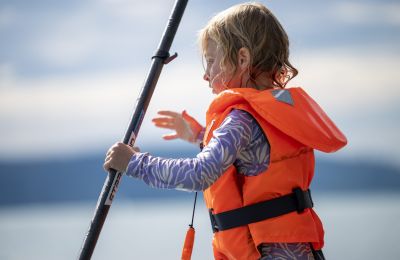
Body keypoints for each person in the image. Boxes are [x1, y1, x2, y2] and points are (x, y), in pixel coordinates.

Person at [103, 2, 347, 260]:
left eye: (210, 61)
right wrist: (200, 135)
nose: (205, 75)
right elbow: (255, 151)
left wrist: (134, 162)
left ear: (242, 59)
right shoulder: (278, 110)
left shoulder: (240, 120)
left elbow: (199, 174)